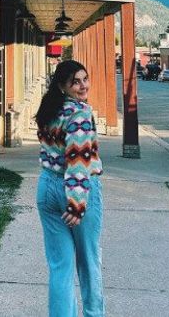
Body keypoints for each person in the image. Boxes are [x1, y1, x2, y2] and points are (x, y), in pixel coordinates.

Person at [35, 60, 104, 317]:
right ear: (63, 86)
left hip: (47, 187)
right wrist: (77, 204)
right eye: (75, 82)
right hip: (76, 192)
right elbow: (77, 161)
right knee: (89, 263)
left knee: (60, 267)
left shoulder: (49, 109)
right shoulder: (80, 114)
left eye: (85, 79)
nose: (83, 85)